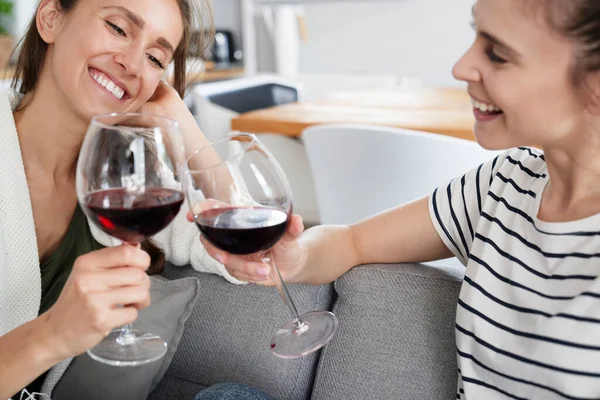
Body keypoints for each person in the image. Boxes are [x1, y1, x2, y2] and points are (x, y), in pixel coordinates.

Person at [204, 0, 600, 398]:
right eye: (476, 35)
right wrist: (296, 257)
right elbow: (352, 241)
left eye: (497, 53)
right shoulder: (504, 183)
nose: (460, 66)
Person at [0, 0, 272, 399]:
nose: (132, 64)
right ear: (51, 18)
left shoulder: (125, 190)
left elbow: (250, 244)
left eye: (155, 57)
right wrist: (53, 334)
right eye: (118, 28)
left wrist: (186, 130)